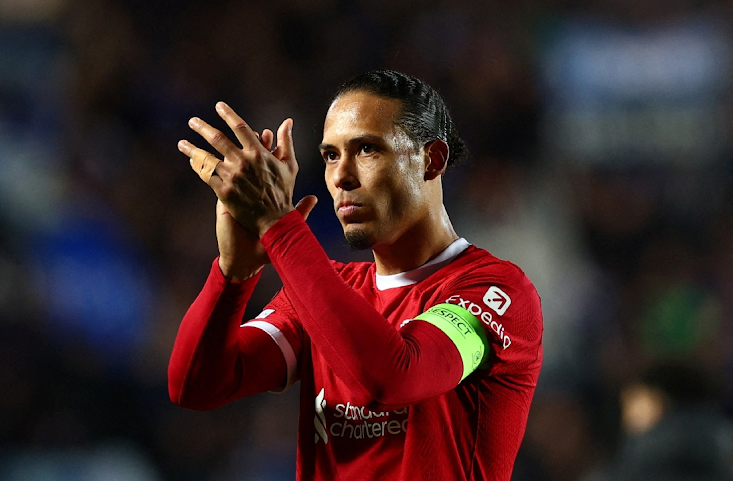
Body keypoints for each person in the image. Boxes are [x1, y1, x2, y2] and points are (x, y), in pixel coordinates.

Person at [168, 70, 543, 481]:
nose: (341, 176)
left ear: (431, 160)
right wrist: (233, 274)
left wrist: (279, 224)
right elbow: (195, 385)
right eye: (330, 155)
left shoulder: (495, 291)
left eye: (367, 149)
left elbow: (393, 377)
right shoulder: (327, 292)